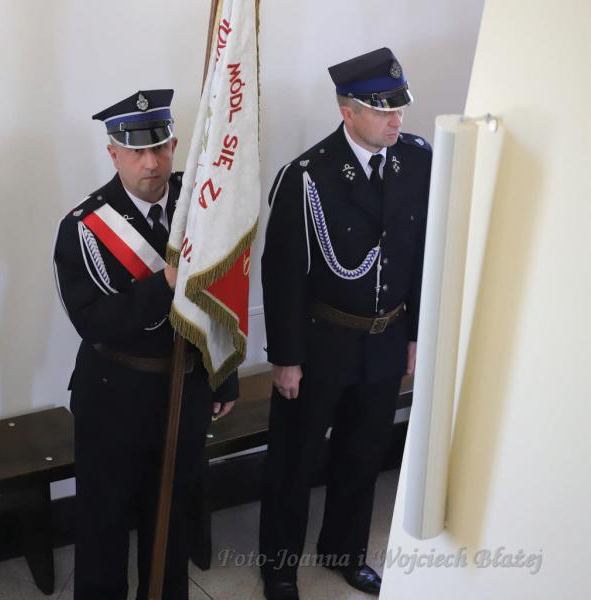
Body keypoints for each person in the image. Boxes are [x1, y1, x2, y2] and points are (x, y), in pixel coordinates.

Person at [259, 48, 432, 600]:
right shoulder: (307, 176)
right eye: (382, 109)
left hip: (385, 339)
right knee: (295, 460)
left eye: (399, 107)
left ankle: (345, 552)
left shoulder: (417, 160)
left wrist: (414, 334)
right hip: (322, 342)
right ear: (347, 111)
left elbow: (421, 255)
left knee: (362, 455)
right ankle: (279, 567)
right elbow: (282, 275)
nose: (396, 119)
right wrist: (286, 358)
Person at [54, 89, 239, 600]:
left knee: (173, 518)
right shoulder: (84, 228)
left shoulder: (201, 206)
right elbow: (95, 323)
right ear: (113, 153)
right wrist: (164, 285)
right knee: (104, 524)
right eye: (136, 151)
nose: (151, 163)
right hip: (114, 394)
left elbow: (223, 296)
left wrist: (224, 373)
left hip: (186, 388)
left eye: (159, 148)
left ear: (174, 145)